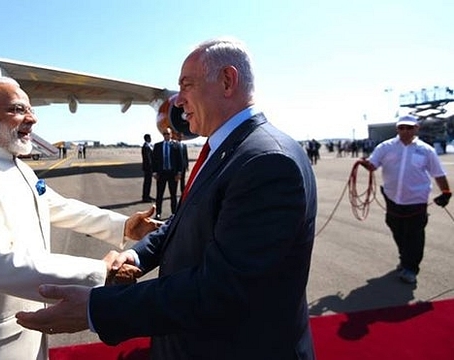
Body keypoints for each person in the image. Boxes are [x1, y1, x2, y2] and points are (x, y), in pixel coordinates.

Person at [16, 37, 318, 359]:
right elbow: (185, 219)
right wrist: (135, 257)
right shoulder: (229, 150)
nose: (177, 100)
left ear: (227, 81)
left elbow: (224, 289)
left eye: (186, 86)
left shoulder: (267, 161)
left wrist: (95, 309)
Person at [0, 76, 158, 360]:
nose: (32, 119)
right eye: (17, 109)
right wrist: (101, 273)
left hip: (21, 335)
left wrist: (122, 225)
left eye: (31, 110)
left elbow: (58, 206)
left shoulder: (15, 165)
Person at [356, 115, 450, 284]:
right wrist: (364, 164)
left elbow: (438, 173)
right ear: (397, 129)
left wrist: (446, 192)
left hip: (417, 200)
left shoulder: (426, 150)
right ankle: (405, 258)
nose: (405, 131)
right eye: (401, 128)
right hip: (392, 198)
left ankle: (411, 268)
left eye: (409, 127)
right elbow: (373, 165)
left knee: (414, 235)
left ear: (416, 129)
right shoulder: (386, 147)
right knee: (397, 229)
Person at [152, 128, 182, 219]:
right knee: (159, 194)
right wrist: (154, 172)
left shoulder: (176, 145)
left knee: (173, 195)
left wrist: (179, 173)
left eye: (168, 134)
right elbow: (154, 160)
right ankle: (158, 213)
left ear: (171, 134)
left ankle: (174, 213)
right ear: (163, 135)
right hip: (161, 174)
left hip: (172, 174)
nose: (166, 135)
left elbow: (179, 160)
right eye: (165, 134)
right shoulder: (157, 146)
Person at [141, 133, 154, 202]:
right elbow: (148, 159)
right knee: (147, 182)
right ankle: (145, 197)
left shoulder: (149, 146)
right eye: (150, 137)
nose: (151, 139)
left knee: (148, 182)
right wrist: (151, 166)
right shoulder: (146, 147)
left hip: (148, 168)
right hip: (148, 168)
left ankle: (147, 195)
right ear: (147, 138)